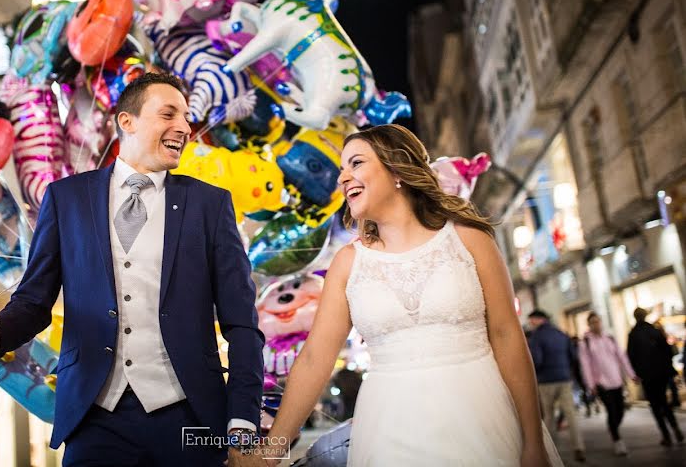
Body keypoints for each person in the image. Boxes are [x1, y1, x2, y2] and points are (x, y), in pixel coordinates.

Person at [0, 73, 264, 466]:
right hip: (94, 417)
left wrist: (243, 422)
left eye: (186, 116)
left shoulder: (209, 205)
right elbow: (34, 300)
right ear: (126, 122)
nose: (184, 126)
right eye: (169, 114)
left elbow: (242, 322)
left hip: (189, 414)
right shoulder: (67, 199)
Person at [247, 124, 562, 466]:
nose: (342, 178)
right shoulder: (348, 263)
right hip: (388, 430)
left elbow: (507, 336)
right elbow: (313, 361)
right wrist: (271, 450)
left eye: (355, 163)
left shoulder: (470, 240)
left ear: (397, 169)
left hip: (485, 417)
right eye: (341, 169)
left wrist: (532, 440)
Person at [528, 310, 586, 461]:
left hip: (546, 381)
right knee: (570, 414)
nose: (530, 324)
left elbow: (537, 360)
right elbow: (573, 356)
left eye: (531, 320)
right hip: (564, 378)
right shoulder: (561, 334)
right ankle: (578, 447)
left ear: (537, 320)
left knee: (549, 416)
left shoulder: (536, 337)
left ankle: (550, 450)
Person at [579, 312, 637, 456]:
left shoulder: (610, 338)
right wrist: (591, 385)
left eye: (598, 321)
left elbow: (622, 357)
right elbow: (585, 365)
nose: (596, 324)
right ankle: (618, 441)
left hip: (616, 380)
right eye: (593, 322)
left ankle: (613, 429)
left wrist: (631, 374)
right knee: (611, 410)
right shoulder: (585, 343)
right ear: (589, 325)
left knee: (620, 411)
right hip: (601, 384)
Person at [627, 307, 684, 446]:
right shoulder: (655, 330)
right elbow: (668, 351)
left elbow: (631, 357)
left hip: (647, 377)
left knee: (655, 405)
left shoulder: (633, 335)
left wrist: (636, 374)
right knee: (664, 402)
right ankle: (675, 427)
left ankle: (666, 435)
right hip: (661, 374)